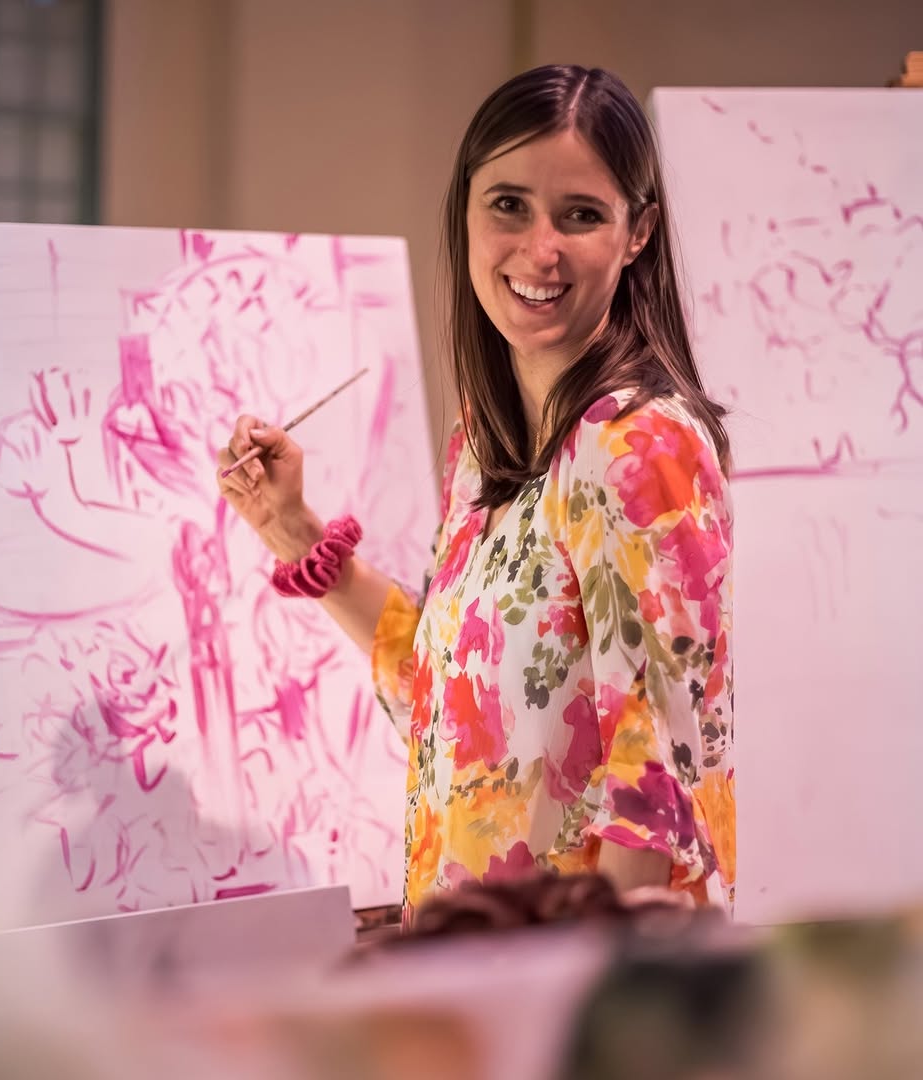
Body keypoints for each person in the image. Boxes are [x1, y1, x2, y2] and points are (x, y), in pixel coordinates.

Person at [217, 64, 735, 926]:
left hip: (568, 994)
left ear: (637, 233)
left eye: (581, 215)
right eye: (508, 206)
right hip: (475, 970)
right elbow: (443, 705)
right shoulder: (488, 446)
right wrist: (288, 527)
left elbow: (655, 789)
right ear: (464, 208)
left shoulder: (638, 443)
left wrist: (573, 1013)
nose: (541, 251)